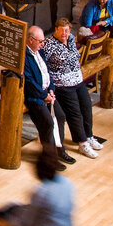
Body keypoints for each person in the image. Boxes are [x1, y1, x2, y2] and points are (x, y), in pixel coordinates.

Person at [41, 18, 103, 160]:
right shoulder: (49, 44)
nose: (64, 33)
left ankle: (88, 136)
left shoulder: (71, 39)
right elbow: (44, 64)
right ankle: (82, 143)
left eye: (67, 30)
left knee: (86, 106)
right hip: (63, 85)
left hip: (78, 81)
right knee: (75, 113)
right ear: (56, 29)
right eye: (62, 30)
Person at [23, 26, 74, 169]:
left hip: (47, 93)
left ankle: (60, 150)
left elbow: (47, 72)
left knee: (61, 116)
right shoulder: (24, 57)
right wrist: (43, 95)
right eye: (40, 41)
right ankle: (49, 158)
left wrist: (51, 89)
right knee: (48, 123)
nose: (42, 44)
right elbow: (29, 82)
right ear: (30, 40)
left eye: (43, 41)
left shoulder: (40, 52)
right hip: (35, 97)